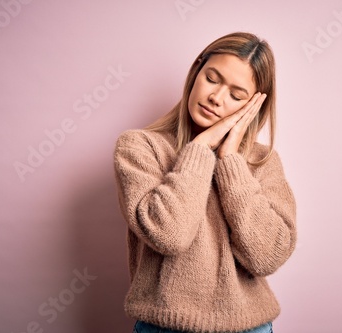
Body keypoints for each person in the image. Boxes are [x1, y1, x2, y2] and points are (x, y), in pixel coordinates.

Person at [114, 32, 296, 333]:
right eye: (212, 78)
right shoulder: (139, 147)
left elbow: (266, 257)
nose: (217, 97)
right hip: (163, 327)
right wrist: (200, 148)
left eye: (236, 96)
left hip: (250, 328)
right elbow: (170, 234)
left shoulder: (263, 162)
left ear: (253, 106)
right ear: (196, 71)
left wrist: (230, 162)